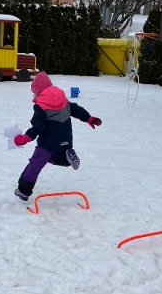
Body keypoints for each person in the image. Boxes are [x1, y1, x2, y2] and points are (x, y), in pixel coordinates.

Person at [13, 72, 102, 201]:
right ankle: (67, 156)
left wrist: (26, 137)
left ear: (38, 92)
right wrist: (89, 118)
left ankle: (23, 191)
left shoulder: (40, 106)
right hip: (66, 140)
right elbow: (76, 110)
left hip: (47, 142)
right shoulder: (63, 100)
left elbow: (37, 126)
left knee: (35, 164)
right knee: (57, 157)